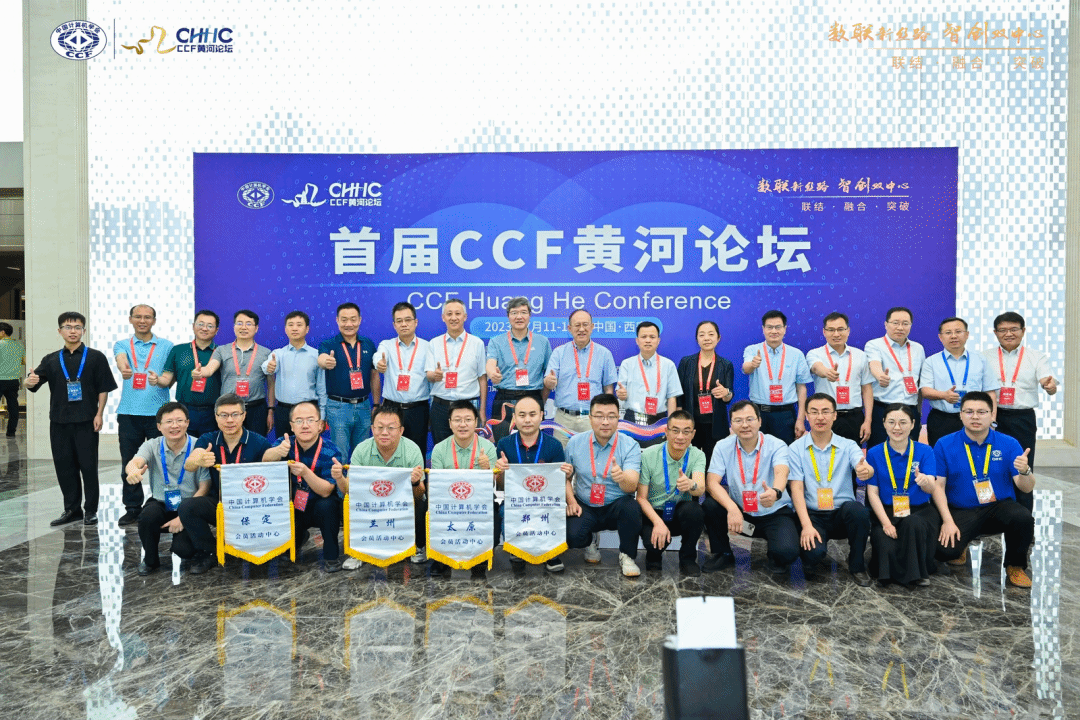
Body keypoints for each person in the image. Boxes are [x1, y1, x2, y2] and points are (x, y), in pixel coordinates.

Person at [933, 391, 1035, 588]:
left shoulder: (1009, 443)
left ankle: (1015, 566)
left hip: (998, 507)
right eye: (969, 412)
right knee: (945, 552)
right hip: (961, 509)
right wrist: (947, 521)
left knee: (1023, 518)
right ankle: (962, 545)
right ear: (960, 414)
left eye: (981, 412)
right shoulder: (944, 444)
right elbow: (938, 486)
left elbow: (1026, 487)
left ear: (992, 414)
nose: (975, 417)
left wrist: (1025, 471)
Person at [26, 312, 117, 526]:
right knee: (64, 467)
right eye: (68, 327)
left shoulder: (95, 357)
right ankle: (71, 509)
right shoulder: (51, 359)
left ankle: (91, 510)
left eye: (77, 327)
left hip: (87, 421)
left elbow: (103, 388)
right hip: (59, 422)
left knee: (88, 467)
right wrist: (28, 381)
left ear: (83, 330)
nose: (73, 331)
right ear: (60, 331)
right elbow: (33, 382)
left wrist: (99, 414)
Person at [787, 393, 875, 587]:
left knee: (859, 511)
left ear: (835, 415)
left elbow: (863, 465)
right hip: (813, 515)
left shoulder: (848, 445)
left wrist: (866, 471)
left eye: (826, 412)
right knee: (813, 557)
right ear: (806, 416)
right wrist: (806, 525)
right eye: (814, 412)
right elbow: (796, 488)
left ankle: (857, 564)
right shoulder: (795, 449)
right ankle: (812, 549)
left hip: (841, 514)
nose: (820, 417)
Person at [701, 400, 798, 574]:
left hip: (773, 512)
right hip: (742, 517)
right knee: (710, 505)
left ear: (760, 421)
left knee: (786, 553)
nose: (744, 425)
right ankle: (723, 553)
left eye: (749, 419)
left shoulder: (776, 444)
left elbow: (781, 472)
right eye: (738, 420)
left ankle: (775, 551)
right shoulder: (723, 446)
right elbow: (711, 482)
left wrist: (775, 492)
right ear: (731, 424)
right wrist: (732, 509)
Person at [180, 393, 272, 575]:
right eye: (223, 415)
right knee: (188, 507)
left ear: (244, 416)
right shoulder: (208, 439)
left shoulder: (259, 442)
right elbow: (189, 464)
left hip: (251, 506)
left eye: (235, 414)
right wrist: (198, 459)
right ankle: (209, 552)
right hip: (220, 504)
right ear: (216, 417)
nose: (229, 420)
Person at [864, 404, 953, 587]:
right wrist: (886, 523)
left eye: (903, 422)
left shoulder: (925, 451)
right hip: (887, 512)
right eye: (891, 422)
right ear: (884, 423)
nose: (897, 428)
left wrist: (924, 481)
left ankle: (918, 573)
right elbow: (872, 493)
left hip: (919, 511)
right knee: (884, 541)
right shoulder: (874, 453)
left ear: (913, 424)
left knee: (913, 524)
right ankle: (898, 571)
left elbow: (931, 488)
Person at [982, 311, 1057, 512]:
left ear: (1023, 331)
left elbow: (1047, 381)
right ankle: (990, 519)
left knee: (1023, 466)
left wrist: (1050, 386)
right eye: (1003, 330)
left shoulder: (1036, 357)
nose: (1008, 334)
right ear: (995, 332)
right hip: (992, 417)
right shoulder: (984, 357)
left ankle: (1024, 519)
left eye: (1014, 329)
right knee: (990, 466)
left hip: (1022, 418)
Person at [123, 402, 210, 575]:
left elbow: (205, 486)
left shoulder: (198, 447)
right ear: (159, 426)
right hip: (161, 502)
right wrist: (132, 470)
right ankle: (150, 560)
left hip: (190, 505)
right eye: (169, 421)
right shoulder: (152, 445)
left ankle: (198, 550)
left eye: (179, 421)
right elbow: (135, 462)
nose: (174, 426)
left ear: (187, 423)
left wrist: (184, 516)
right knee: (147, 516)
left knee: (184, 549)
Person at [563, 393, 643, 577]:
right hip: (585, 504)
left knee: (632, 508)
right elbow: (566, 478)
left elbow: (631, 487)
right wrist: (571, 502)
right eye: (599, 416)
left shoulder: (630, 445)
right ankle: (589, 540)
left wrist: (622, 477)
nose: (605, 422)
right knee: (572, 536)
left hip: (616, 505)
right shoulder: (575, 443)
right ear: (590, 418)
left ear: (618, 418)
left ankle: (627, 555)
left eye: (611, 416)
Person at [338, 404, 425, 569]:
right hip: (371, 505)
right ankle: (357, 551)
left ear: (401, 430)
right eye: (380, 427)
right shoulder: (361, 450)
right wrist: (339, 478)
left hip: (400, 506)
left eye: (391, 428)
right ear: (372, 429)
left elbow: (420, 494)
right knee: (348, 502)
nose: (384, 432)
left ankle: (417, 547)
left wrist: (415, 482)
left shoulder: (412, 450)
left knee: (422, 504)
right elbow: (349, 490)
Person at [262, 401, 344, 572]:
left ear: (321, 425)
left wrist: (306, 472)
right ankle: (294, 542)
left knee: (328, 505)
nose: (305, 425)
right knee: (279, 505)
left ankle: (331, 556)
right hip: (294, 505)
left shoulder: (332, 450)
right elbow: (265, 460)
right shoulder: (285, 443)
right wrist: (277, 452)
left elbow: (326, 490)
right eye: (299, 421)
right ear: (291, 426)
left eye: (310, 420)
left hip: (319, 506)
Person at [113, 304, 174, 526]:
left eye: (147, 317)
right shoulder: (122, 344)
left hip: (159, 415)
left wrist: (160, 380)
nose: (142, 320)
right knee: (130, 462)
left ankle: (167, 506)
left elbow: (169, 376)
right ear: (130, 319)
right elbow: (121, 360)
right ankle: (132, 508)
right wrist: (124, 369)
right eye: (138, 317)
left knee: (165, 462)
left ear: (154, 321)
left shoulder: (167, 346)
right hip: (129, 413)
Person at [494, 394, 567, 573]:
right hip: (516, 501)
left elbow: (558, 484)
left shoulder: (554, 445)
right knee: (505, 510)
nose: (527, 420)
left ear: (541, 416)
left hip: (545, 501)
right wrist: (501, 472)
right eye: (522, 415)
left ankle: (550, 552)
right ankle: (517, 549)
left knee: (555, 508)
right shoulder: (504, 444)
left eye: (532, 414)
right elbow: (501, 486)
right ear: (514, 418)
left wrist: (568, 475)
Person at [429, 400, 499, 578]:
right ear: (450, 423)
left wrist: (487, 470)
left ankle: (480, 560)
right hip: (448, 503)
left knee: (493, 510)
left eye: (468, 420)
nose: (462, 424)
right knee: (431, 509)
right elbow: (437, 487)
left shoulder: (488, 447)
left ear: (476, 422)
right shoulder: (439, 449)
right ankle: (441, 558)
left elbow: (492, 485)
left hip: (478, 502)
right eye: (457, 420)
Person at [635, 410, 706, 576]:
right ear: (666, 432)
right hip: (653, 513)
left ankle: (688, 559)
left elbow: (701, 488)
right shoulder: (649, 455)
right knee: (652, 544)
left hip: (678, 511)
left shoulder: (697, 455)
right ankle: (653, 557)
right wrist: (658, 522)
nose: (680, 437)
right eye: (675, 431)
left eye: (686, 431)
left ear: (693, 434)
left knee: (695, 511)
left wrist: (691, 484)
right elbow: (641, 498)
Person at [920, 317, 999, 447]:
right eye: (948, 332)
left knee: (974, 455)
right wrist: (944, 395)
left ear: (967, 334)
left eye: (958, 331)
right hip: (942, 419)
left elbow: (990, 392)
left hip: (974, 418)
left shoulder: (980, 360)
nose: (953, 336)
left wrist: (991, 419)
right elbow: (925, 390)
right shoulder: (931, 361)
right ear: (940, 337)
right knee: (941, 455)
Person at [544, 309, 617, 446]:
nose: (581, 329)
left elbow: (608, 388)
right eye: (577, 325)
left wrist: (606, 415)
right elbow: (548, 382)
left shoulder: (604, 354)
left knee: (592, 456)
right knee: (562, 457)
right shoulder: (559, 352)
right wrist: (549, 381)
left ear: (592, 327)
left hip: (592, 418)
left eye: (585, 325)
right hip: (564, 418)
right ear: (569, 329)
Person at [197, 309, 273, 435]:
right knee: (228, 442)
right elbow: (210, 368)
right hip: (228, 408)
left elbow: (271, 384)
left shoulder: (266, 353)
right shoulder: (222, 350)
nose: (243, 327)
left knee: (256, 444)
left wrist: (270, 410)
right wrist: (201, 372)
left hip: (256, 408)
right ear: (234, 327)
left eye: (248, 324)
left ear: (256, 328)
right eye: (239, 323)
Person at [741, 310, 811, 445]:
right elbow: (746, 368)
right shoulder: (752, 350)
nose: (774, 331)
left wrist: (800, 419)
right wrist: (753, 364)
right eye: (769, 327)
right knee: (758, 452)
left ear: (785, 329)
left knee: (785, 454)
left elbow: (801, 388)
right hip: (758, 414)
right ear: (763, 329)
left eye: (778, 327)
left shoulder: (796, 354)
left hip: (785, 415)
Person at [317, 302, 378, 456]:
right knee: (340, 454)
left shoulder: (368, 344)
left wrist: (376, 404)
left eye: (353, 319)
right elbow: (321, 359)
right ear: (337, 320)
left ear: (360, 320)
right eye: (344, 320)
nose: (349, 324)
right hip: (338, 407)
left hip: (364, 406)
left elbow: (374, 375)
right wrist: (326, 361)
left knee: (362, 453)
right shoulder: (328, 344)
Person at [425, 298, 488, 446]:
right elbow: (428, 375)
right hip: (440, 406)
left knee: (468, 449)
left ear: (465, 317)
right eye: (449, 314)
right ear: (443, 317)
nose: (453, 317)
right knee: (441, 449)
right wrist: (435, 375)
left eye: (458, 313)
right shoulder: (434, 343)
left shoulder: (477, 343)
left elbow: (482, 378)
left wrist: (482, 411)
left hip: (468, 406)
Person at [806, 312, 873, 446]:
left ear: (848, 331)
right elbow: (816, 368)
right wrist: (826, 372)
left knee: (853, 456)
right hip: (825, 418)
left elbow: (867, 389)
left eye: (840, 329)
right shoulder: (814, 354)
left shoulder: (860, 355)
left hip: (854, 417)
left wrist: (868, 421)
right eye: (831, 330)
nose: (836, 334)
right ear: (824, 332)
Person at [151, 310, 222, 438]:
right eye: (200, 324)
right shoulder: (178, 350)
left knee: (210, 447)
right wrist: (157, 380)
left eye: (210, 326)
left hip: (213, 411)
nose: (204, 328)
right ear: (193, 326)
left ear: (216, 330)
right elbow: (166, 379)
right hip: (184, 410)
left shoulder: (222, 352)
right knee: (184, 446)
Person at [375, 302, 433, 453]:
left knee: (417, 451)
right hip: (391, 408)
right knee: (389, 450)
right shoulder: (386, 345)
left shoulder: (428, 347)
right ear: (394, 325)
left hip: (418, 409)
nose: (404, 324)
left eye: (408, 320)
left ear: (416, 322)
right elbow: (378, 357)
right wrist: (379, 363)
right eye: (399, 321)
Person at [865, 307, 926, 447]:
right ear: (886, 324)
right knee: (879, 452)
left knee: (910, 452)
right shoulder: (874, 345)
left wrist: (918, 412)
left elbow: (920, 382)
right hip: (883, 409)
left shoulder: (918, 348)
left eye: (905, 323)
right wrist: (880, 376)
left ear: (911, 325)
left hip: (910, 410)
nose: (900, 327)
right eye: (895, 323)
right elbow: (874, 364)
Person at [676, 320, 734, 464]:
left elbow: (729, 396)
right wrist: (679, 419)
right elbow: (679, 394)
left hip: (715, 425)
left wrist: (725, 392)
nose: (706, 338)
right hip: (690, 424)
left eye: (711, 334)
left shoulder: (726, 364)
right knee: (688, 463)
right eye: (702, 335)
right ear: (697, 339)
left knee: (712, 465)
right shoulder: (686, 362)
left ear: (718, 338)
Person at [262, 310, 326, 438]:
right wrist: (269, 367)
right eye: (290, 325)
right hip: (283, 411)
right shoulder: (278, 354)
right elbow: (266, 367)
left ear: (307, 329)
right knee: (284, 446)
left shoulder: (316, 356)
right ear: (285, 329)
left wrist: (322, 416)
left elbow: (322, 388)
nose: (294, 328)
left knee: (308, 447)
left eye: (299, 325)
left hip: (309, 411)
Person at [486, 297, 551, 421]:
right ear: (508, 316)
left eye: (523, 312)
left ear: (530, 315)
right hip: (505, 399)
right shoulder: (496, 341)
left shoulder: (543, 342)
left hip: (533, 398)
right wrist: (492, 373)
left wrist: (540, 400)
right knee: (503, 434)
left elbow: (549, 374)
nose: (519, 317)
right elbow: (490, 364)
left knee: (532, 434)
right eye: (514, 313)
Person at [616, 321, 681, 441]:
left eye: (652, 337)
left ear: (658, 340)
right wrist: (621, 394)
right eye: (644, 337)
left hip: (659, 421)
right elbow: (620, 393)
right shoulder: (627, 364)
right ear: (637, 340)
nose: (648, 340)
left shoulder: (668, 365)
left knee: (657, 452)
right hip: (632, 421)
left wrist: (671, 426)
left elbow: (672, 398)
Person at [0, 322, 25, 437]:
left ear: (3, 332)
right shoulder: (19, 345)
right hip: (13, 380)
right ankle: (11, 432)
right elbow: (24, 361)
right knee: (13, 407)